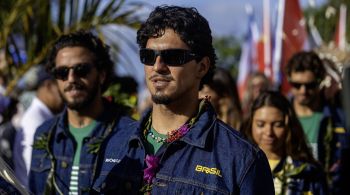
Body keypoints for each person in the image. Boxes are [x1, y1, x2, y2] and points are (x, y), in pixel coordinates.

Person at [96, 5, 274, 194]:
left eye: (172, 56)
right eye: (148, 56)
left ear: (202, 67)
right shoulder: (114, 144)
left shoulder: (240, 159)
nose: (158, 66)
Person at [28, 30, 133, 194]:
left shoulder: (130, 135)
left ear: (102, 75)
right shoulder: (44, 134)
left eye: (81, 70)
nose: (71, 79)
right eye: (62, 72)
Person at [286, 51, 350, 194]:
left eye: (310, 85)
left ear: (320, 81)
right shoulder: (280, 117)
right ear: (289, 80)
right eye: (297, 85)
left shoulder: (339, 119)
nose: (303, 91)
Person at [242, 91, 328, 194]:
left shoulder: (308, 173)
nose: (269, 132)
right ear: (250, 124)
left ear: (288, 124)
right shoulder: (240, 167)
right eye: (261, 124)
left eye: (278, 125)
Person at [13, 65, 64, 187]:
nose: (65, 95)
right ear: (48, 86)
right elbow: (39, 172)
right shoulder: (36, 121)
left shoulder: (42, 117)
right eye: (61, 88)